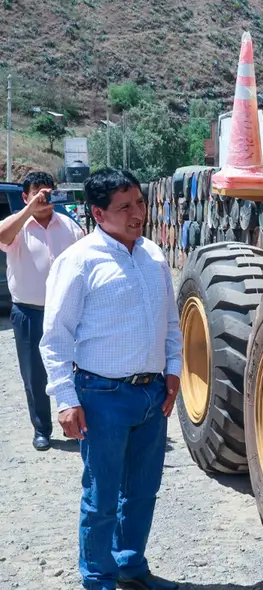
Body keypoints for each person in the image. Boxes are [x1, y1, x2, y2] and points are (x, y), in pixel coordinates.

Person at [39, 169, 181, 590]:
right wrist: (65, 398)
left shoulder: (154, 256)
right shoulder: (79, 261)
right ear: (98, 214)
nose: (138, 213)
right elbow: (56, 337)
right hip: (101, 396)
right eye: (125, 207)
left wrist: (172, 373)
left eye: (139, 202)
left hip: (150, 394)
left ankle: (131, 566)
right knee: (101, 497)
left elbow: (171, 324)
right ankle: (98, 578)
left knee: (142, 491)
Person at [0, 170, 85, 451]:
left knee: (77, 369)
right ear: (25, 196)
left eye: (47, 189)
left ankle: (79, 422)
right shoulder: (17, 226)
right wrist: (28, 210)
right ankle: (42, 429)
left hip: (67, 312)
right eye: (37, 190)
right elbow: (2, 235)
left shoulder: (71, 227)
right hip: (29, 312)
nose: (43, 195)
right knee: (34, 374)